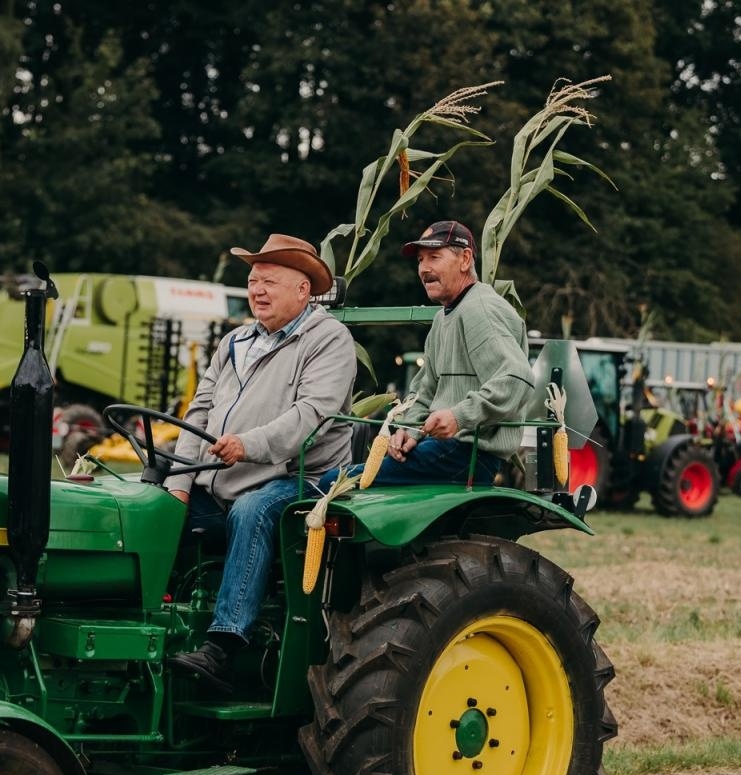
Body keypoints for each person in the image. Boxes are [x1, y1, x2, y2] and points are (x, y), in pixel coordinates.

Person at [163, 234, 357, 692]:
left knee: (255, 509)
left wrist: (247, 445)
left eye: (270, 281)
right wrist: (178, 483)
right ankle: (160, 619)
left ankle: (225, 646)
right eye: (253, 281)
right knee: (151, 503)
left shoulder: (329, 340)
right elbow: (199, 411)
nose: (258, 290)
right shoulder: (236, 340)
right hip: (228, 475)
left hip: (304, 478)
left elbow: (311, 417)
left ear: (303, 290)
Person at [329, 220, 532, 488]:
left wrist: (459, 416)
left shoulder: (479, 309)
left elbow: (516, 379)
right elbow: (425, 390)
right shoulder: (443, 317)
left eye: (435, 257)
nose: (424, 268)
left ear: (465, 259)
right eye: (420, 260)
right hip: (444, 450)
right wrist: (409, 429)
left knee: (335, 481)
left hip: (468, 455)